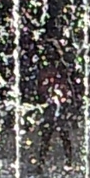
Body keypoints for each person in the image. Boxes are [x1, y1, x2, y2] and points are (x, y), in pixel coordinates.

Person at [34, 41, 76, 170]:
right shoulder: (51, 70)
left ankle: (65, 160)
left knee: (57, 133)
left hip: (56, 104)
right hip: (52, 104)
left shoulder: (54, 69)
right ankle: (47, 161)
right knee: (53, 134)